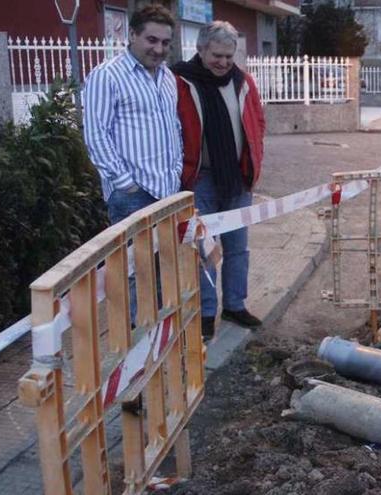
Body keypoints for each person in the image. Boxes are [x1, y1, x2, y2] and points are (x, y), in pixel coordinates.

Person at [82, 5, 182, 321]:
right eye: (151, 40)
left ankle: (161, 346)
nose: (159, 49)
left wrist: (176, 171)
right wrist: (126, 185)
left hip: (167, 193)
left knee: (164, 274)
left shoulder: (167, 77)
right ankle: (138, 357)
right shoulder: (107, 76)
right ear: (132, 35)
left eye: (165, 43)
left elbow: (173, 128)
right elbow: (96, 136)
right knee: (137, 280)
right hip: (132, 197)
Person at [172, 21, 265, 340]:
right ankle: (206, 313)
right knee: (204, 249)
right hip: (200, 180)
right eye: (217, 55)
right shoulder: (180, 81)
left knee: (238, 248)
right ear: (199, 49)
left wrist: (255, 161)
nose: (224, 62)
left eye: (229, 55)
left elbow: (258, 123)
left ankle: (235, 305)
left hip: (237, 180)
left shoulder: (244, 82)